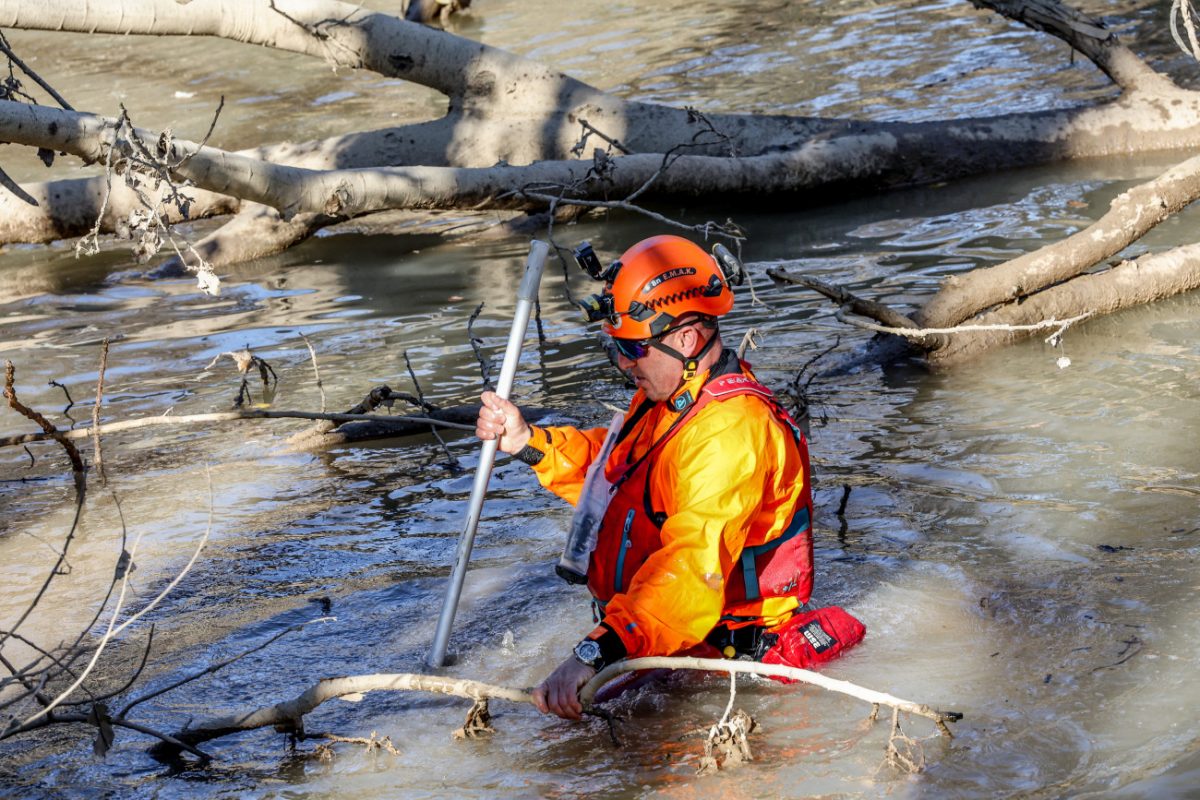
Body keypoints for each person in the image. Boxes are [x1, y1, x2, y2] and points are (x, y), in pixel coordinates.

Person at [475, 234, 816, 720]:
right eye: (615, 348)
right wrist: (528, 440)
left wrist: (593, 653)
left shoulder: (730, 432)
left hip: (728, 670)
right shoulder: (673, 397)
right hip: (672, 647)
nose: (624, 365)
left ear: (685, 338)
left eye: (633, 349)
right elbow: (617, 477)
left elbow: (691, 569)